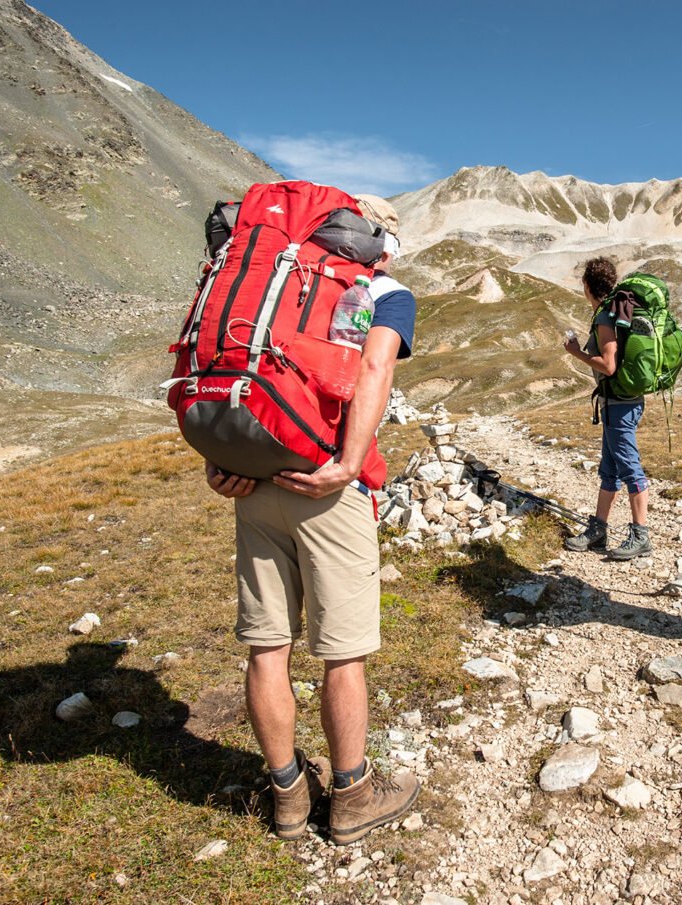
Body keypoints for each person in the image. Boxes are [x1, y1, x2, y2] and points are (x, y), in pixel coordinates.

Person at [204, 193, 420, 844]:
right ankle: (352, 795)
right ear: (378, 238)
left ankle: (289, 796)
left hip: (253, 476)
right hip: (326, 485)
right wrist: (348, 462)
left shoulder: (275, 281)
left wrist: (220, 457)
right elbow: (372, 366)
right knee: (341, 652)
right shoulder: (377, 288)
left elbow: (227, 363)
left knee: (267, 647)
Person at [561, 256, 652, 561]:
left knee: (629, 467)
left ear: (587, 286)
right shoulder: (616, 310)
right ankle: (598, 528)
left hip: (619, 405)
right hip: (621, 402)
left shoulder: (604, 316)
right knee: (610, 469)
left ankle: (641, 535)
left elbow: (609, 365)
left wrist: (576, 353)